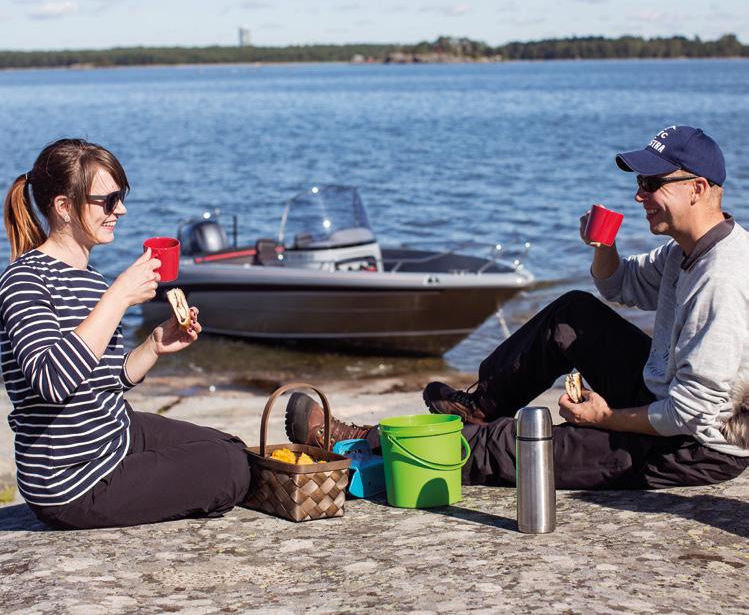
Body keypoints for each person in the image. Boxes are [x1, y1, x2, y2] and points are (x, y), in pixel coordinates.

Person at [284, 126, 748, 489]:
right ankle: (478, 408)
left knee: (516, 446)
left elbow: (693, 413)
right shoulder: (683, 251)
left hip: (692, 447)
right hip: (665, 400)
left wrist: (605, 420)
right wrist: (602, 245)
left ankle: (360, 442)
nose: (639, 194)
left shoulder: (722, 278)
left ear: (698, 188)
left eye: (651, 183)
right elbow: (618, 285)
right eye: (639, 182)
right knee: (571, 315)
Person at [0, 138, 250, 529]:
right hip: (73, 481)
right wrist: (119, 296)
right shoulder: (24, 281)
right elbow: (51, 381)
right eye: (108, 200)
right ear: (63, 206)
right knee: (230, 468)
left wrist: (154, 345)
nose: (121, 209)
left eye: (121, 196)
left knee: (230, 447)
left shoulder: (90, 279)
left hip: (113, 433)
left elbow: (105, 380)